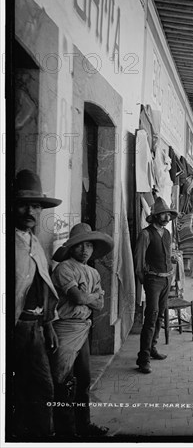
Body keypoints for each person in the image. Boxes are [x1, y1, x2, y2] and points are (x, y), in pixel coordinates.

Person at [50, 223, 113, 437]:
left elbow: (100, 305)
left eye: (89, 245)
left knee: (83, 379)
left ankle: (84, 426)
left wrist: (89, 298)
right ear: (71, 248)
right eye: (79, 246)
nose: (84, 250)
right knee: (63, 381)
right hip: (65, 329)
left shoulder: (93, 273)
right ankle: (66, 432)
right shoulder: (64, 268)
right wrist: (90, 298)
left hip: (83, 329)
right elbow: (77, 297)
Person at [12, 169, 61, 438]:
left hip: (34, 330)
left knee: (43, 387)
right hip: (14, 329)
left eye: (36, 206)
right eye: (23, 204)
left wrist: (48, 325)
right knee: (15, 390)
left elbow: (43, 287)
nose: (30, 211)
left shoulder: (35, 243)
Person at [134, 197, 178, 374]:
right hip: (153, 281)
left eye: (168, 214)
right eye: (164, 214)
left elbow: (167, 256)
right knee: (151, 318)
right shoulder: (145, 234)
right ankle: (143, 359)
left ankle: (152, 348)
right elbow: (138, 262)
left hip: (167, 279)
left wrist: (171, 272)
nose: (167, 217)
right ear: (156, 216)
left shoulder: (167, 234)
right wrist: (147, 281)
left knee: (160, 316)